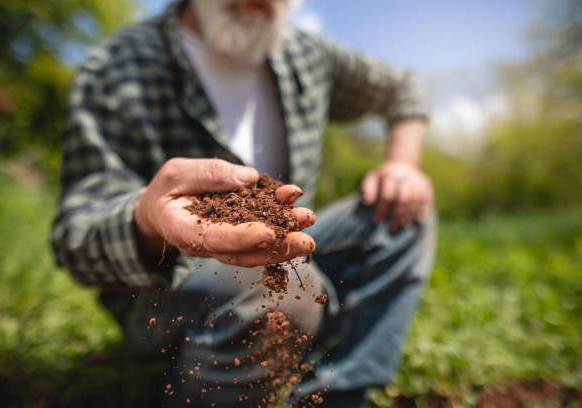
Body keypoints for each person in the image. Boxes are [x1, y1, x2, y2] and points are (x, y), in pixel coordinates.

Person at [50, 0, 436, 406]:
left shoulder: (305, 54)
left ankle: (337, 394)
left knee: (401, 212)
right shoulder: (118, 66)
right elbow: (75, 233)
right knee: (280, 288)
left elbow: (403, 86)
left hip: (291, 242)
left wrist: (402, 164)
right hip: (166, 284)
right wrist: (148, 218)